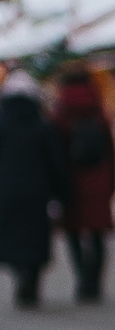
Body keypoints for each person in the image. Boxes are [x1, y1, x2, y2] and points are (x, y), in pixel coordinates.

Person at [48, 65, 115, 302]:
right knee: (97, 234)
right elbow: (111, 153)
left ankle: (82, 280)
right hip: (98, 181)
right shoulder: (99, 113)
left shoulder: (60, 117)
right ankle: (95, 283)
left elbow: (55, 155)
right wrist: (111, 184)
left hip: (72, 184)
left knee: (74, 234)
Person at [0, 73, 64, 308]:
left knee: (12, 239)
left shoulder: (2, 126)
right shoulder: (43, 126)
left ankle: (21, 273)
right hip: (37, 192)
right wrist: (61, 193)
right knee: (35, 239)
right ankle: (31, 278)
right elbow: (56, 163)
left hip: (6, 191)